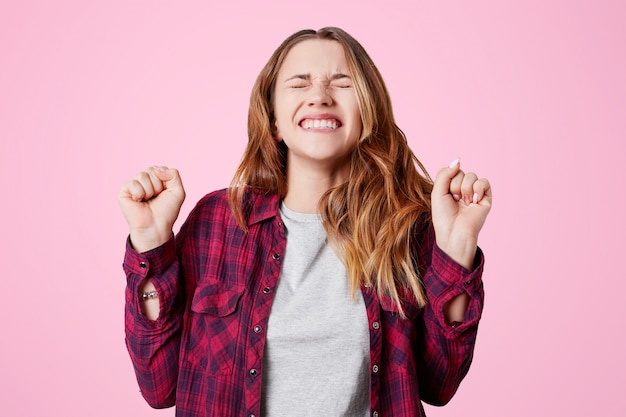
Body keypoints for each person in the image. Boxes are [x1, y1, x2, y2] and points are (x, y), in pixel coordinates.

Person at [119, 27, 492, 417]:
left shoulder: (406, 228)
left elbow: (440, 384)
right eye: (299, 84)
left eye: (341, 82)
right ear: (275, 120)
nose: (320, 96)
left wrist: (457, 248)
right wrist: (150, 243)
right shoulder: (219, 222)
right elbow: (158, 387)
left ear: (367, 111)